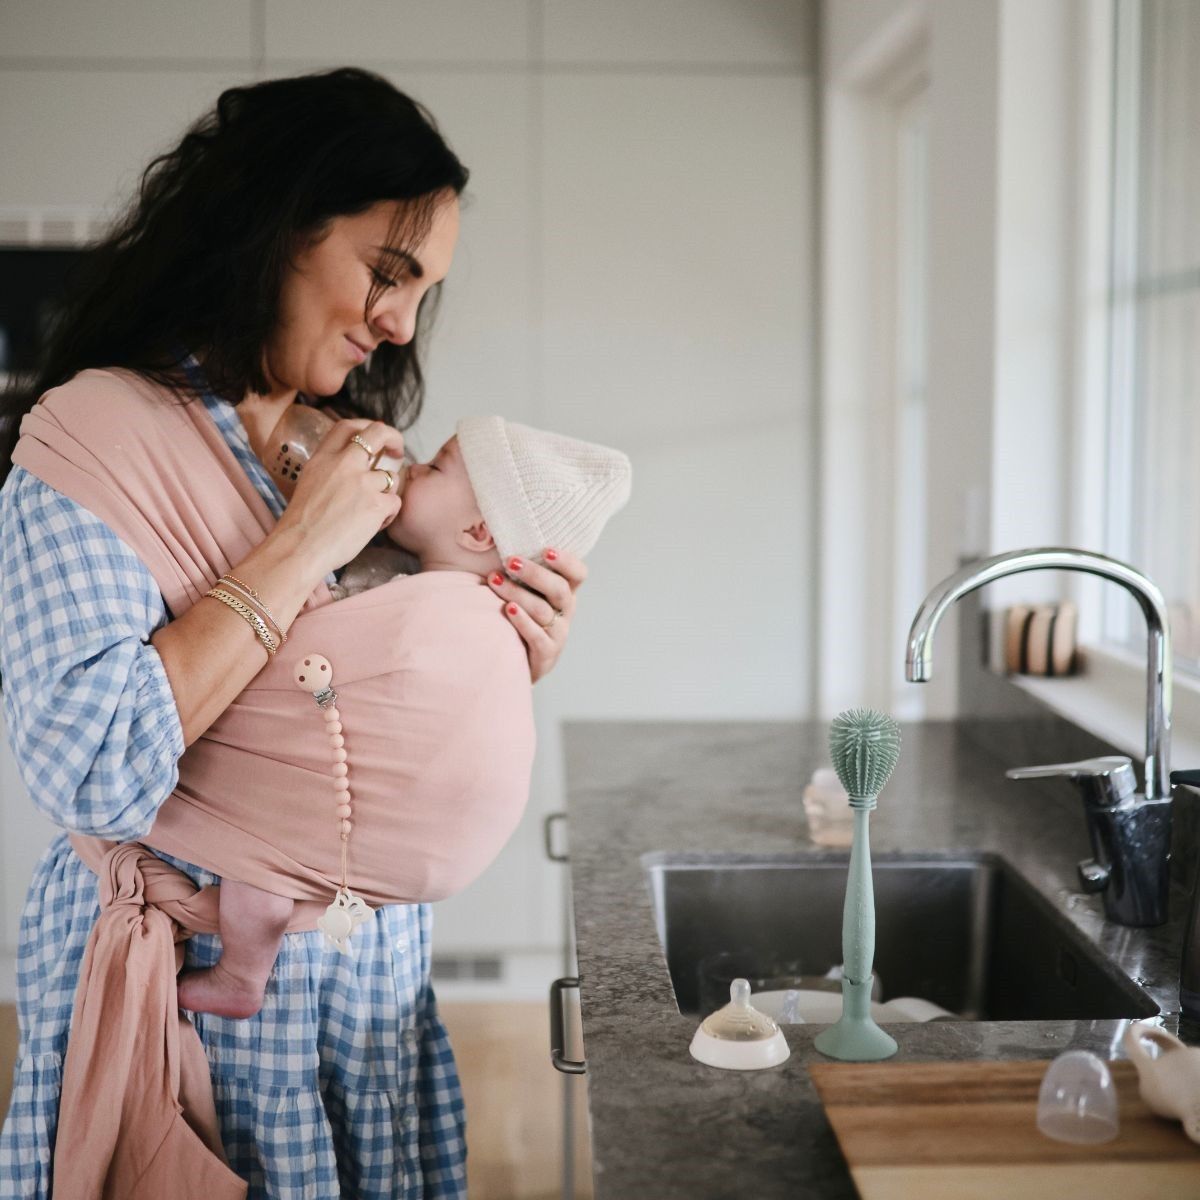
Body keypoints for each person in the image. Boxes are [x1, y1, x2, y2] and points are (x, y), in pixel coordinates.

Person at [0, 68, 588, 1199]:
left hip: (368, 994)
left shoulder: (346, 446)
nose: (402, 322)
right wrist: (300, 544)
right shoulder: (89, 436)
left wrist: (510, 646)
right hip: (197, 999)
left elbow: (348, 706)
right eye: (386, 272)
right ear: (271, 229)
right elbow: (86, 763)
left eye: (424, 292)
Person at [176, 418, 631, 1019]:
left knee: (260, 873)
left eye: (434, 467)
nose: (411, 468)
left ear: (477, 530)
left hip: (356, 828)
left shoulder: (456, 610)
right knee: (261, 881)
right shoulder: (406, 577)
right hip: (331, 812)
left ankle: (241, 972)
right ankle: (243, 975)